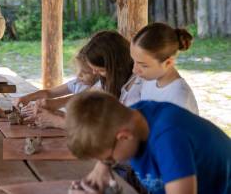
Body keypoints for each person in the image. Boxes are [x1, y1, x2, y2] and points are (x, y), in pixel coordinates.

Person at [64, 91, 231, 194]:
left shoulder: (169, 138)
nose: (111, 162)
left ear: (124, 137)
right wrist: (102, 168)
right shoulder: (131, 116)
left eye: (110, 159)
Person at [131, 22, 199, 114]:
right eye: (134, 61)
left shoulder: (179, 98)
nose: (134, 70)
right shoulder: (149, 80)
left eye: (143, 65)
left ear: (168, 63)